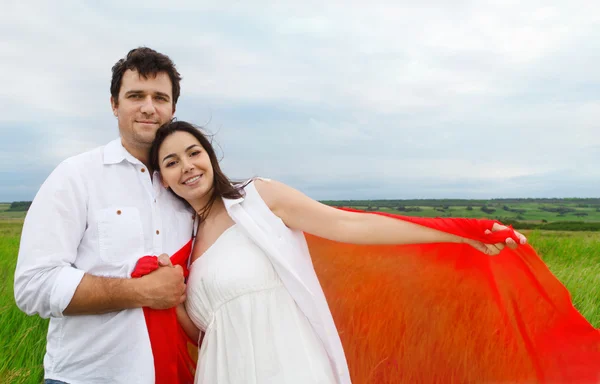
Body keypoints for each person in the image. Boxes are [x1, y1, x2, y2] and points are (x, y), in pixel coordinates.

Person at [146, 120, 529, 384]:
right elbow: (206, 332)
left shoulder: (259, 199)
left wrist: (458, 234)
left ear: (210, 156)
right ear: (162, 180)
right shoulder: (186, 246)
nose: (187, 166)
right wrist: (170, 292)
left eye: (194, 152)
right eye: (172, 162)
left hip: (287, 367)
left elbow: (349, 225)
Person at [14, 47, 195, 384]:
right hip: (85, 378)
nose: (148, 107)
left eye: (160, 97)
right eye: (135, 95)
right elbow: (32, 285)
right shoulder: (75, 176)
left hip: (175, 374)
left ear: (172, 109)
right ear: (114, 104)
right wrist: (140, 292)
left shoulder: (186, 188)